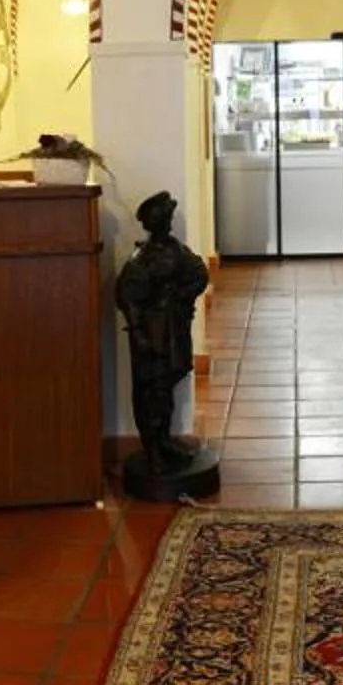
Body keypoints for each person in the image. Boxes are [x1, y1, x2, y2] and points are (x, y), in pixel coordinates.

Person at [113, 191, 209, 474]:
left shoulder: (175, 249)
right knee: (150, 389)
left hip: (173, 327)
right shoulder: (140, 259)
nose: (169, 222)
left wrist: (181, 297)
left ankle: (164, 440)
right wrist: (141, 335)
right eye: (165, 216)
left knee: (165, 385)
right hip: (152, 330)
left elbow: (199, 273)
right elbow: (128, 299)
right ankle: (152, 449)